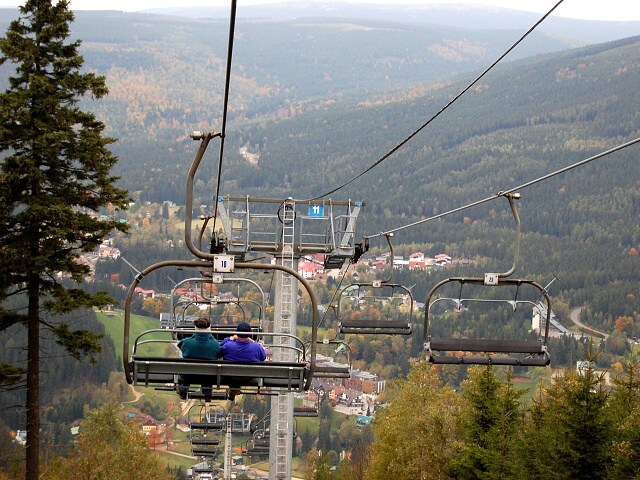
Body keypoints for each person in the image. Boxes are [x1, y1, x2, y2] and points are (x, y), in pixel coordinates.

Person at [176, 317, 220, 400]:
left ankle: (183, 390)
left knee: (185, 371)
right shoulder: (215, 344)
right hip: (207, 376)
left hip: (189, 374)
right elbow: (218, 354)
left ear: (195, 328)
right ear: (209, 329)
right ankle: (207, 392)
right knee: (207, 372)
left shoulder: (187, 342)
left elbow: (181, 347)